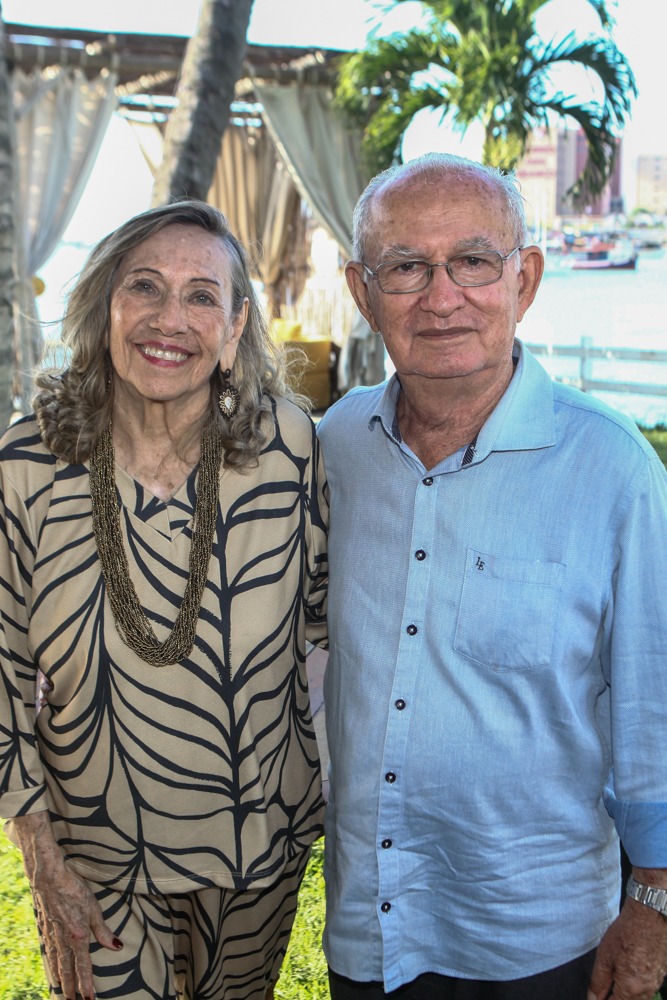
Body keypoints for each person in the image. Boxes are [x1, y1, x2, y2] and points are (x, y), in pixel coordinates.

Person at [316, 153, 667, 1000]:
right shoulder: (331, 448)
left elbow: (652, 704)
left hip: (537, 936)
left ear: (525, 279)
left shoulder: (610, 466)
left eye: (472, 261)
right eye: (405, 267)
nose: (441, 298)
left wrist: (652, 902)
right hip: (370, 924)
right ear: (363, 293)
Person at [0, 201, 327, 1000]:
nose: (169, 319)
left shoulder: (288, 448)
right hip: (93, 849)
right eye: (143, 286)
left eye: (201, 296)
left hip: (257, 843)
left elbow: (329, 619)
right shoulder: (27, 462)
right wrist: (35, 843)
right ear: (103, 305)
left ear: (235, 326)